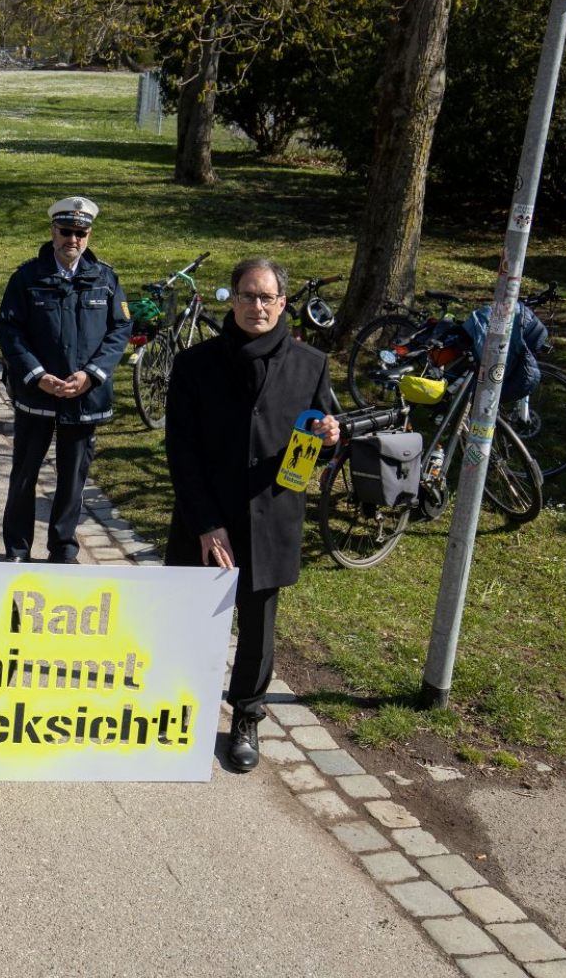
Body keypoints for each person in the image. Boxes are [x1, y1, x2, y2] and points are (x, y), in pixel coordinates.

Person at [164, 258, 340, 774]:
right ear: (232, 300)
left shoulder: (311, 364)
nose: (256, 306)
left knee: (258, 627)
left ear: (283, 303)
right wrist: (205, 522)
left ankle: (246, 716)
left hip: (270, 517)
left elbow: (321, 437)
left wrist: (332, 439)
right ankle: (182, 710)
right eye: (247, 295)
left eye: (266, 298)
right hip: (207, 515)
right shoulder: (195, 363)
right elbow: (181, 449)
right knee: (193, 617)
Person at [0, 196, 132, 562]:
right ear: (53, 231)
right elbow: (9, 330)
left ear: (89, 234)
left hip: (83, 396)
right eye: (66, 232)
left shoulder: (105, 277)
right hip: (37, 394)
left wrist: (92, 375)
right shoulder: (26, 277)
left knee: (73, 478)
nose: (73, 240)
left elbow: (120, 330)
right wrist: (36, 375)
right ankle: (18, 550)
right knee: (24, 476)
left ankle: (62, 549)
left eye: (80, 233)